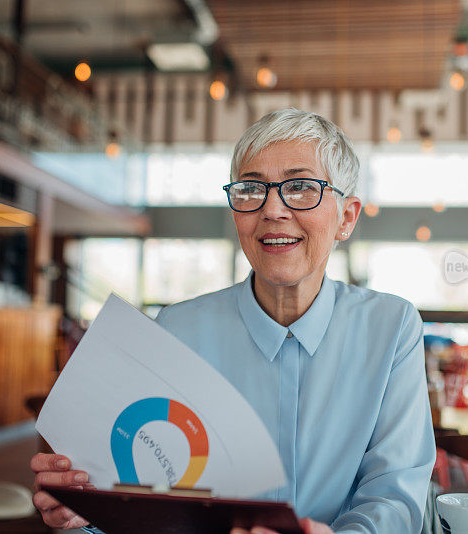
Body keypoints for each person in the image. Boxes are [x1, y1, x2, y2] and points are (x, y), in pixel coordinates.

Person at [31, 108, 436, 534]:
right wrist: (83, 514)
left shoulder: (392, 329)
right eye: (251, 189)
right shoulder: (175, 330)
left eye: (300, 187)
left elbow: (394, 495)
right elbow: (139, 491)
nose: (273, 209)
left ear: (347, 217)